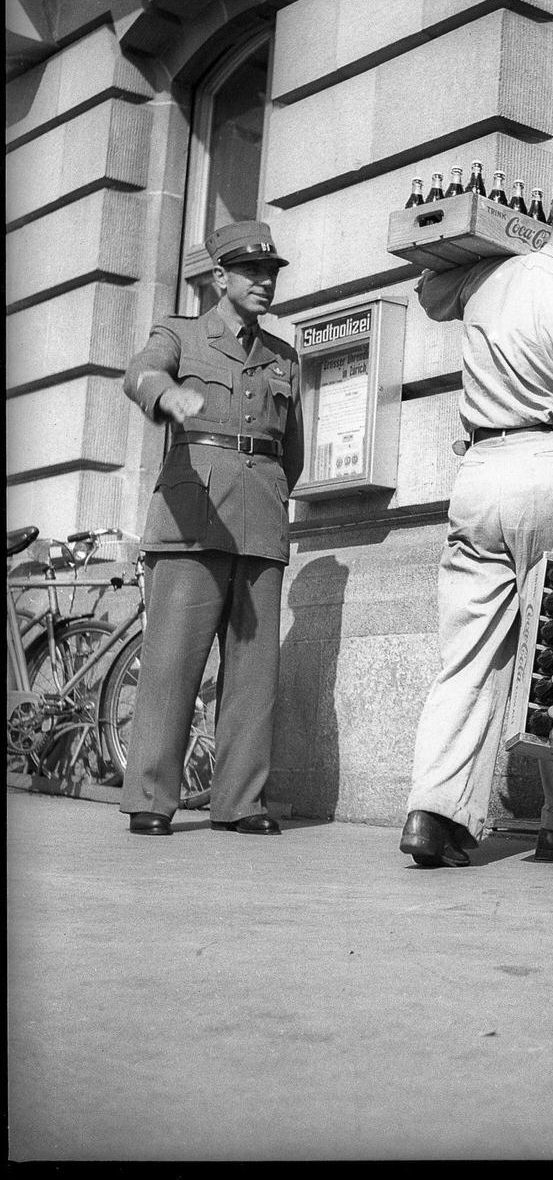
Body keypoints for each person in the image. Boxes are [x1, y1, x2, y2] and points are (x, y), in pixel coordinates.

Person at [401, 175, 553, 869]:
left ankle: (432, 813)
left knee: (467, 653)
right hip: (546, 465)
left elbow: (430, 292)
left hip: (477, 473)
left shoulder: (488, 280)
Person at [119, 220, 304, 837]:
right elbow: (140, 373)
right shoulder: (180, 333)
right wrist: (167, 397)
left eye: (272, 273)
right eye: (253, 272)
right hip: (193, 518)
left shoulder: (284, 357)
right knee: (174, 662)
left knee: (254, 674)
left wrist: (271, 497)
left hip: (260, 518)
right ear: (220, 278)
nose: (265, 283)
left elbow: (292, 453)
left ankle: (240, 802)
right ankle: (151, 798)